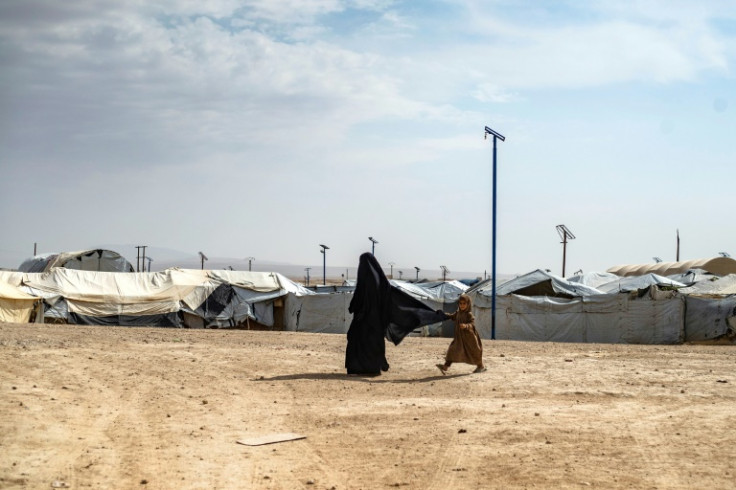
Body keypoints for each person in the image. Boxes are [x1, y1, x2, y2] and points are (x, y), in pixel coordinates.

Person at [345, 253, 446, 376]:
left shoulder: (364, 282)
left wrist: (356, 309)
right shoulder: (381, 283)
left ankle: (358, 368)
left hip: (361, 321)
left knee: (357, 341)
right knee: (373, 343)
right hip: (375, 323)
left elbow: (356, 301)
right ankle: (373, 367)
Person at [436, 293, 486, 374]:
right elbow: (451, 316)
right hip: (459, 338)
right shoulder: (458, 313)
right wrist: (443, 314)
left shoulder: (468, 314)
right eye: (460, 303)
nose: (462, 305)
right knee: (452, 349)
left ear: (468, 304)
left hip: (469, 338)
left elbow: (472, 324)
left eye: (464, 303)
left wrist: (466, 326)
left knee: (474, 351)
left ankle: (481, 366)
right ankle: (445, 366)